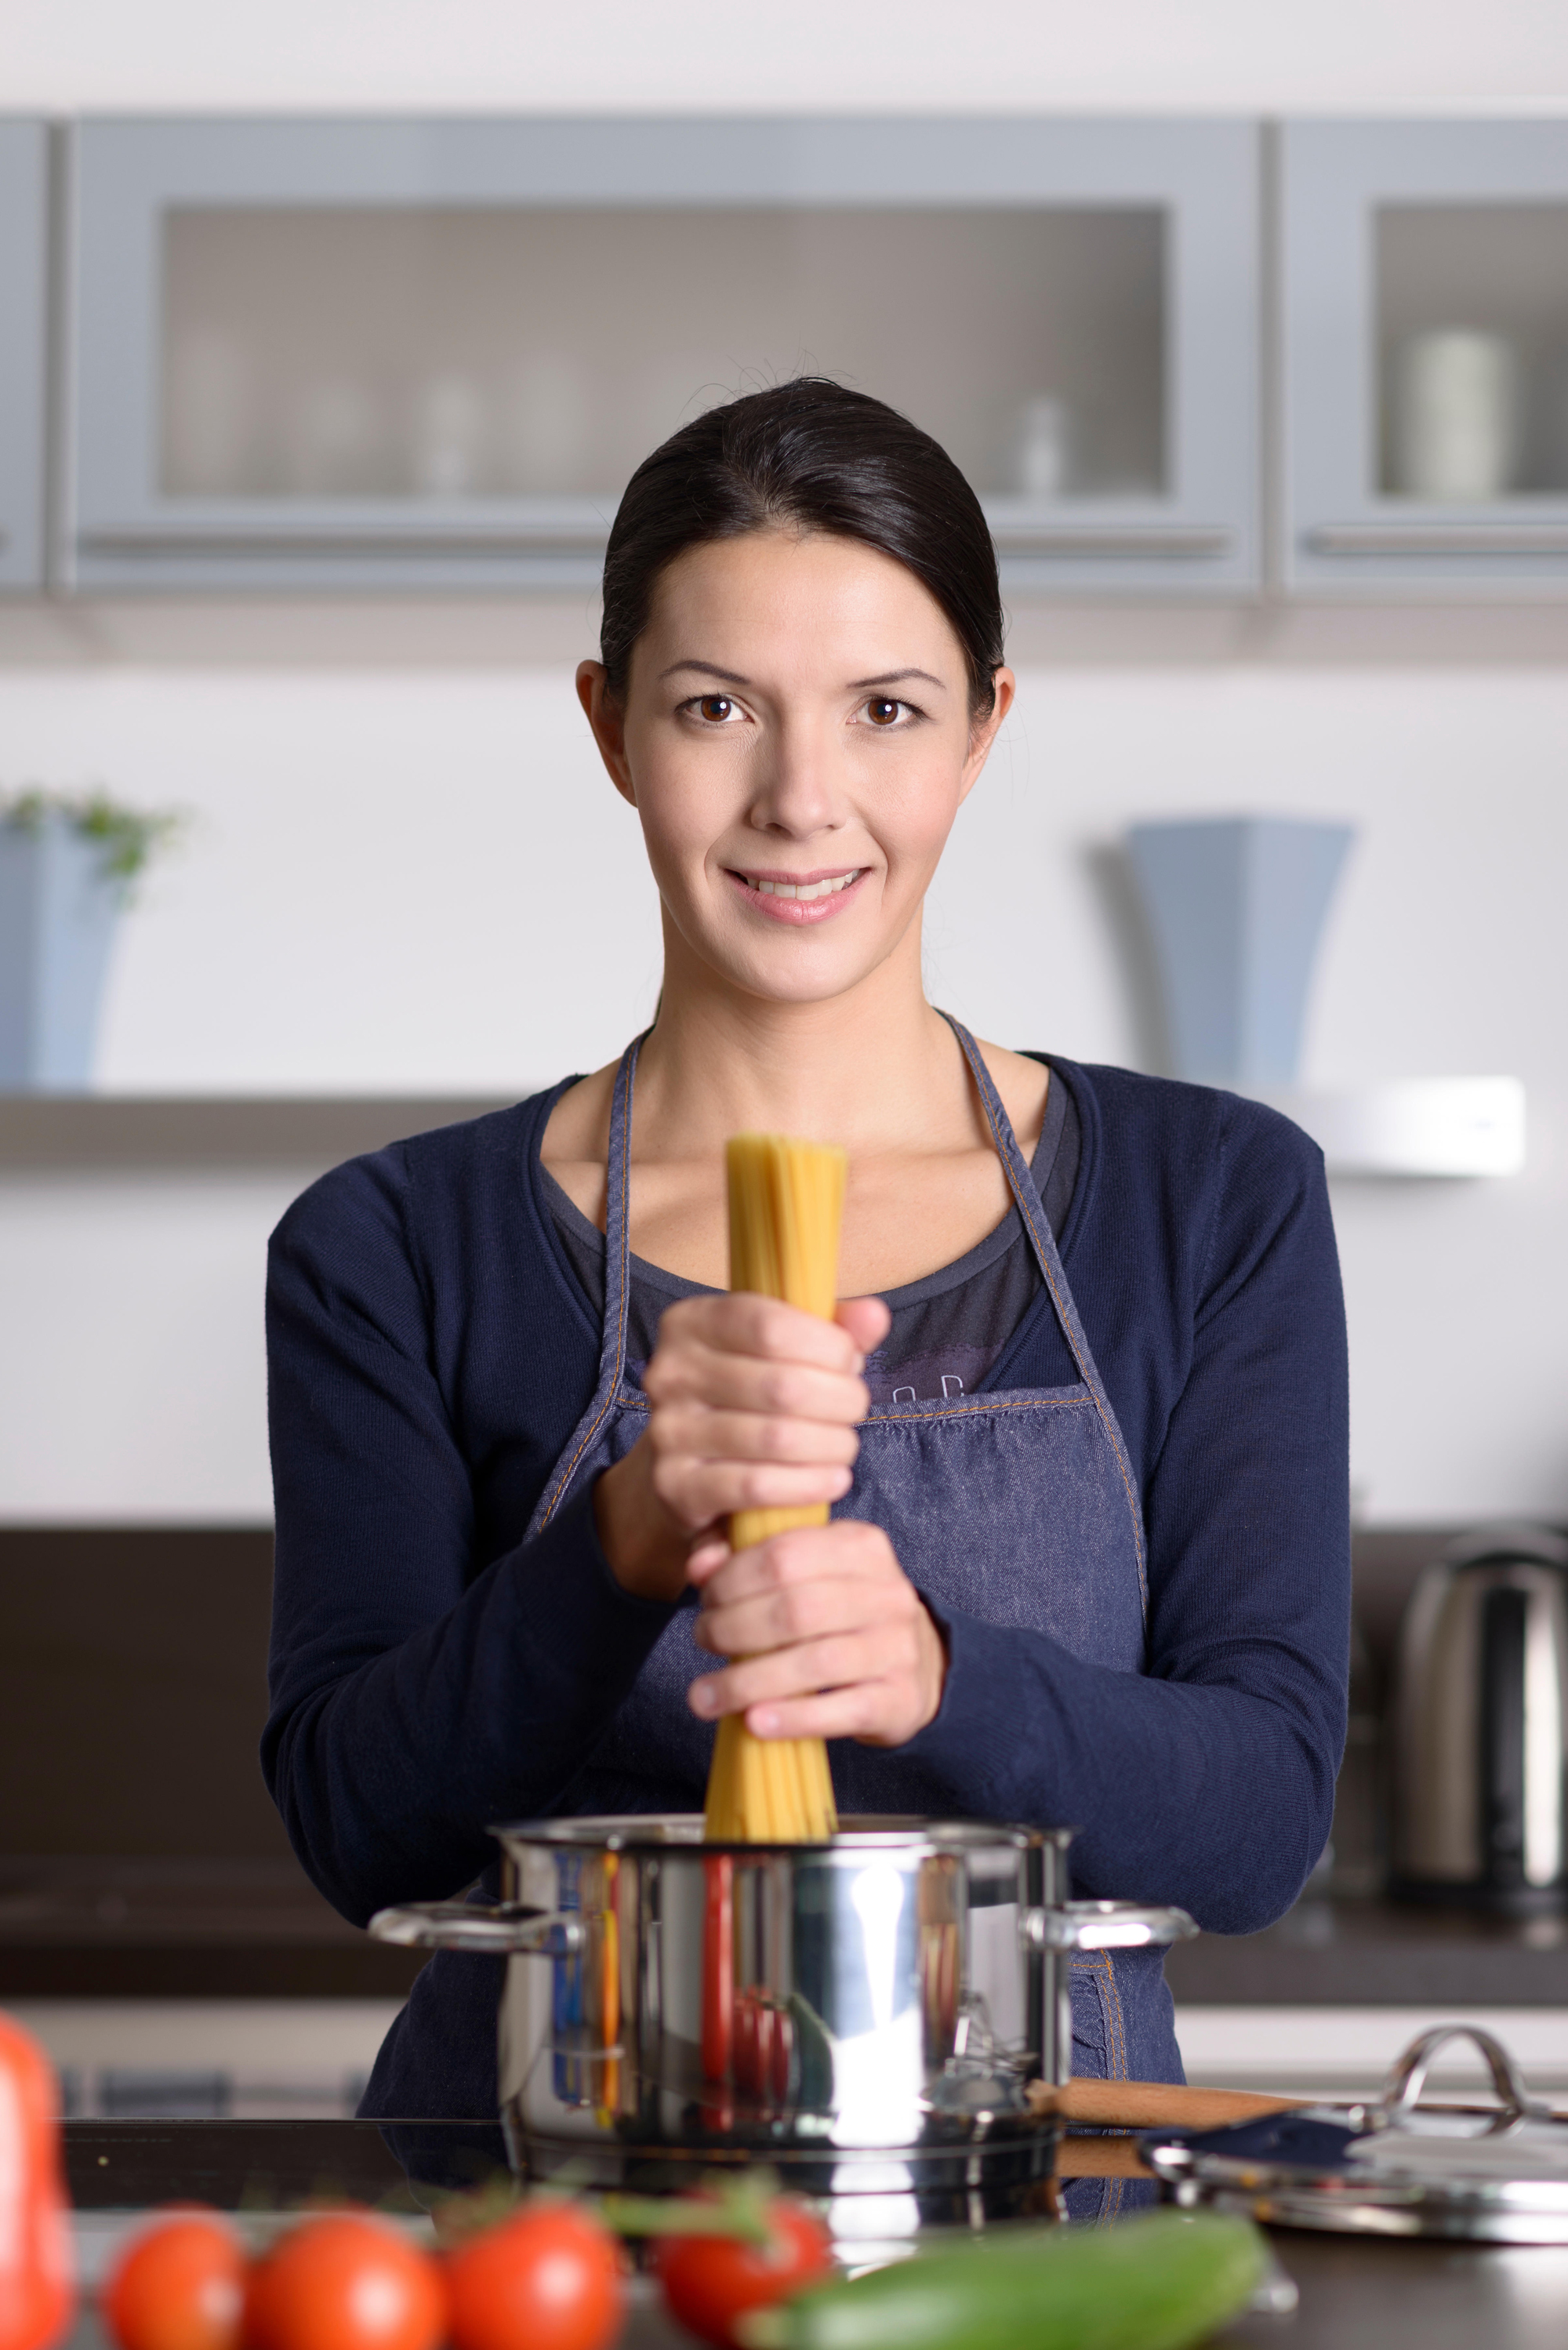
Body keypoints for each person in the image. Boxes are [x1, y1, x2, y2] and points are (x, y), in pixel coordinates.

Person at [263, 380, 1350, 2209]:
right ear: (611, 726)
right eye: (714, 708)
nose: (799, 799)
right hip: (537, 2224)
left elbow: (1256, 1821)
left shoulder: (1212, 1201)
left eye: (886, 710)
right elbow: (359, 1825)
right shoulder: (393, 1243)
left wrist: (934, 1672)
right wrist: (619, 1541)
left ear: (982, 732)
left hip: (1045, 2229)